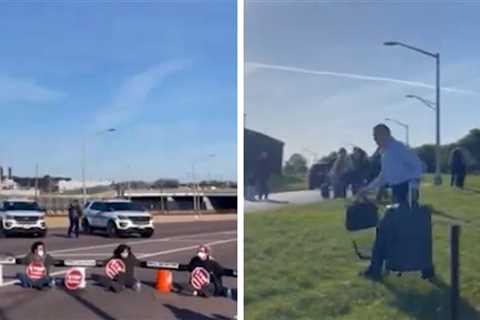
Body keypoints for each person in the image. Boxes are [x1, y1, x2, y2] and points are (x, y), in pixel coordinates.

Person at [357, 124, 423, 280]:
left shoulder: (398, 148)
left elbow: (418, 166)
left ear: (385, 134)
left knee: (387, 231)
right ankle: (384, 267)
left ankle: (375, 270)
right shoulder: (385, 153)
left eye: (376, 136)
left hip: (405, 193)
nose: (374, 140)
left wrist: (412, 188)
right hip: (396, 193)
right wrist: (367, 189)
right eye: (373, 137)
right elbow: (384, 177)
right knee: (396, 232)